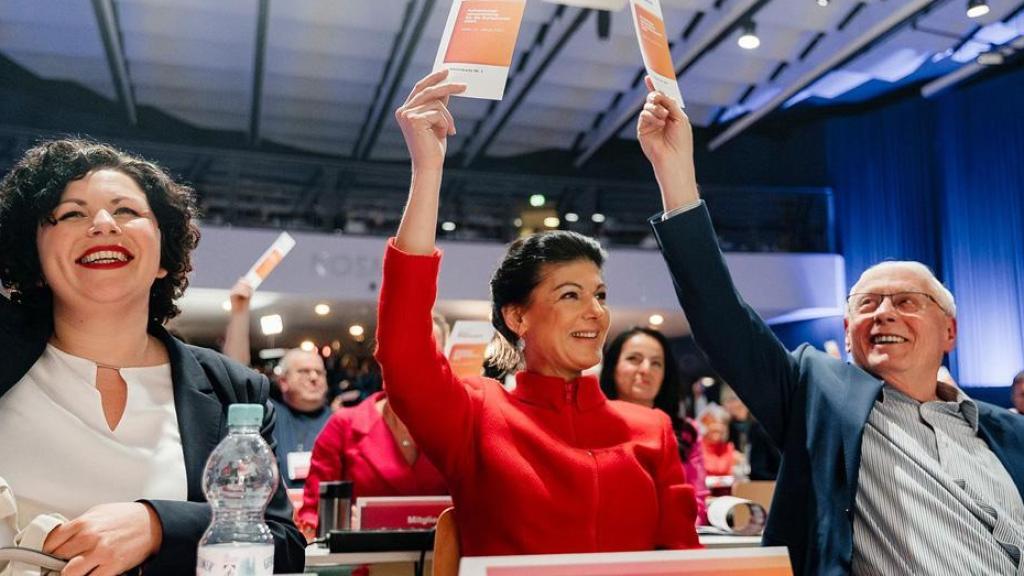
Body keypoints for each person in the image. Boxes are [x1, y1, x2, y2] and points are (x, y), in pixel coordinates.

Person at [636, 77, 1024, 574]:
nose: (884, 313)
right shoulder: (816, 393)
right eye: (867, 304)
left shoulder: (1006, 432)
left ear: (949, 331)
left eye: (907, 301)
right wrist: (674, 171)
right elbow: (721, 317)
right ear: (846, 331)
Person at [374, 70, 699, 557]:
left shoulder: (650, 430)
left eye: (601, 295)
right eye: (570, 295)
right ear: (517, 317)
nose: (595, 312)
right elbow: (402, 350)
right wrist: (428, 171)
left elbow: (684, 558)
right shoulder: (476, 416)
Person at [0, 139, 304, 575]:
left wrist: (158, 524)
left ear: (163, 256)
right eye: (71, 213)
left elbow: (283, 547)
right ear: (35, 256)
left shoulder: (231, 390)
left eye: (126, 211)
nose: (103, 223)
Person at [296, 313, 451, 541]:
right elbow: (312, 514)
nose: (412, 360)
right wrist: (342, 526)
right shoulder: (344, 426)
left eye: (426, 351)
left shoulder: (456, 425)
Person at [598, 326, 709, 524]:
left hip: (672, 540)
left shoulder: (686, 431)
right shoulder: (591, 424)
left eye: (656, 363)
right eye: (634, 359)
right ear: (613, 366)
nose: (646, 369)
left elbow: (697, 500)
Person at [270, 349, 332, 489]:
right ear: (284, 381)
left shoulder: (340, 422)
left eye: (320, 372)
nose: (314, 377)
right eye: (304, 371)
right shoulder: (269, 419)